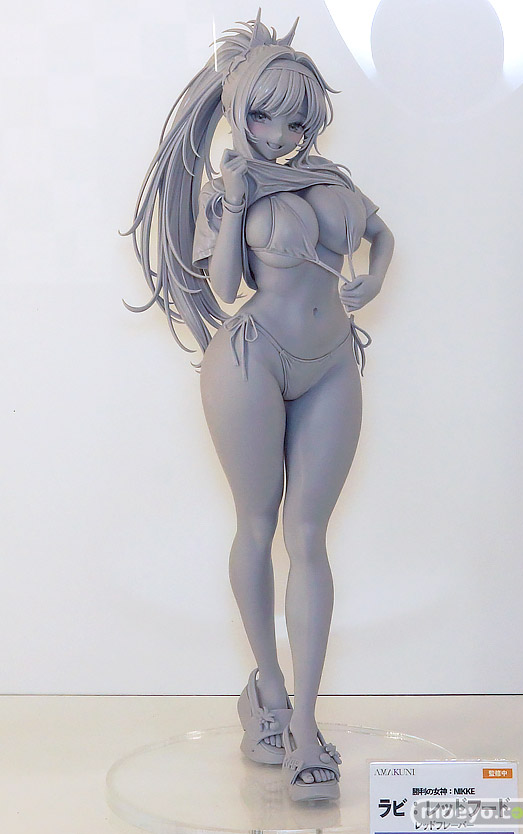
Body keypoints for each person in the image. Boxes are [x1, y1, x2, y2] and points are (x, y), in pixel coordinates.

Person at [124, 10, 394, 802]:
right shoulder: (229, 189)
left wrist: (374, 276)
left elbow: (382, 235)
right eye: (264, 118)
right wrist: (238, 206)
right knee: (256, 523)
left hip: (331, 360)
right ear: (240, 112)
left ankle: (306, 726)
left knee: (308, 536)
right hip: (251, 358)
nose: (280, 134)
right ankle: (269, 696)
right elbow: (223, 286)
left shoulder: (333, 182)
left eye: (295, 120)